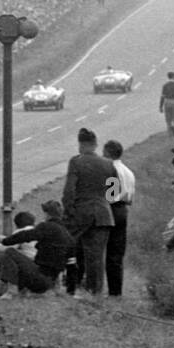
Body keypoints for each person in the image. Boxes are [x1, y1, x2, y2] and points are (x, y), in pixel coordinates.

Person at [62, 127, 115, 297]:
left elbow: (69, 190)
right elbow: (113, 194)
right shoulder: (108, 164)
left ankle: (68, 284)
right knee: (96, 256)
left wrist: (68, 209)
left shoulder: (76, 162)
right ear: (95, 144)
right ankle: (95, 291)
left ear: (81, 144)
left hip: (80, 212)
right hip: (103, 214)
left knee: (66, 246)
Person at [0, 202, 76, 298]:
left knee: (10, 252)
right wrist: (71, 292)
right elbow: (72, 267)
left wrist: (4, 240)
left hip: (39, 278)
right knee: (17, 258)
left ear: (47, 214)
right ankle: (2, 286)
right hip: (50, 282)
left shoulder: (46, 226)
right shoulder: (68, 236)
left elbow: (25, 235)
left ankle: (1, 290)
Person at [102, 139, 134, 297]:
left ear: (108, 153)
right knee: (117, 252)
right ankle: (116, 291)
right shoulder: (128, 171)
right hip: (123, 209)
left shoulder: (111, 169)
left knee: (105, 250)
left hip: (111, 209)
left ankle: (102, 287)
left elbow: (111, 194)